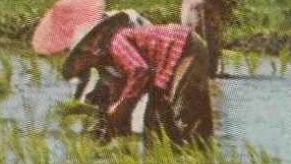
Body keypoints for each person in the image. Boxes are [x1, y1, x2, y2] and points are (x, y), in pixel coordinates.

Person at [63, 12, 213, 146]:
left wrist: (121, 107)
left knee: (187, 119)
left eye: (85, 48)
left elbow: (140, 71)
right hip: (164, 68)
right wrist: (111, 124)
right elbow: (118, 94)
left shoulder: (117, 42)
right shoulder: (105, 67)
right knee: (155, 127)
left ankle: (194, 156)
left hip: (183, 47)